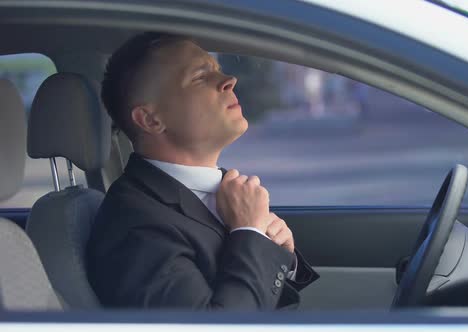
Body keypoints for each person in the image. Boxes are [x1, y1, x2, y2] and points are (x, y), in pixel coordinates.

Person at [86, 32, 319, 310]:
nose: (228, 80)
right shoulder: (133, 227)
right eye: (199, 77)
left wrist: (280, 255)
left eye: (218, 70)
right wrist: (250, 234)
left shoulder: (214, 193)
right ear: (150, 119)